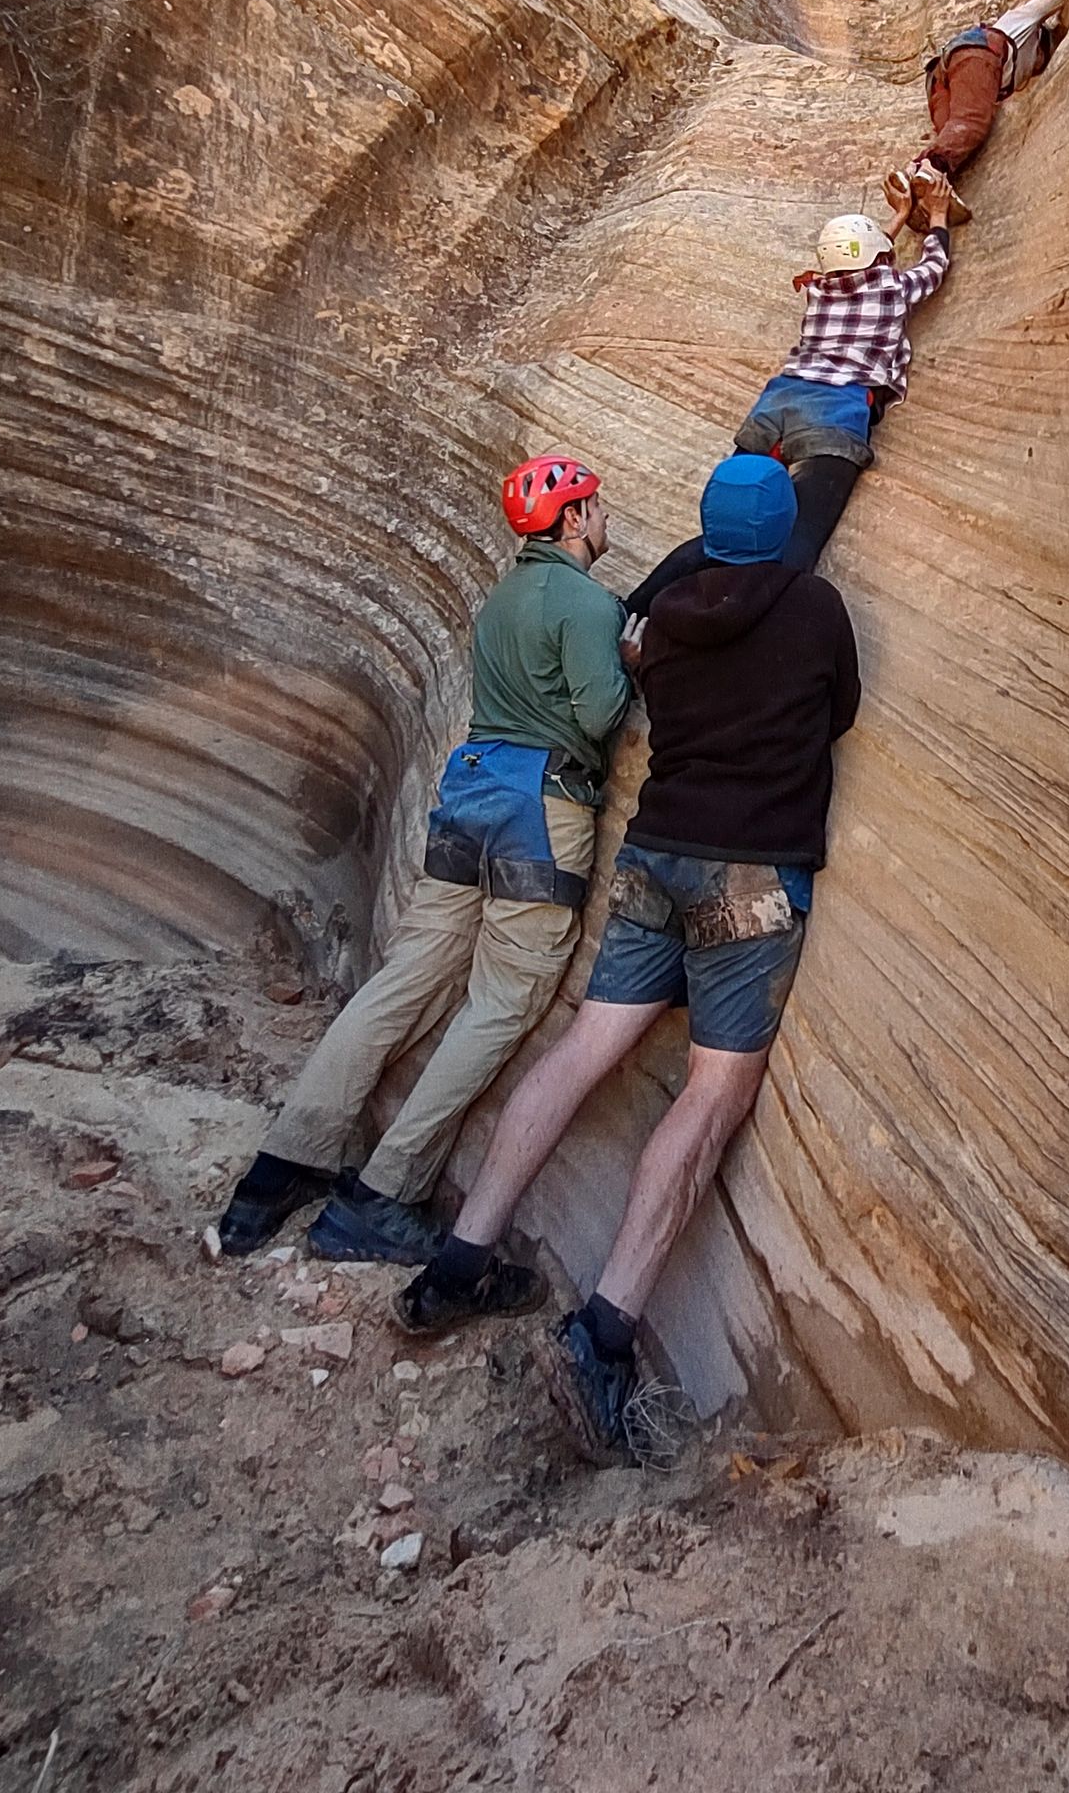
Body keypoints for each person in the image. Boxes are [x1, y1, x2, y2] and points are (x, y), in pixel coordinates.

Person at [389, 452, 861, 1469]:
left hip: (653, 858)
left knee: (588, 1043)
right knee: (713, 1094)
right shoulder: (816, 609)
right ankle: (604, 1333)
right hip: (749, 877)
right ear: (785, 529)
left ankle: (460, 1257)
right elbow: (844, 712)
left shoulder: (660, 626)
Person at [215, 455, 631, 1264]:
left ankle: (282, 1167)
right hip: (540, 808)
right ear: (573, 521)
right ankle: (382, 1194)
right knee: (502, 1000)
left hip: (468, 791)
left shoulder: (500, 602)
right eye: (596, 507)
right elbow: (602, 713)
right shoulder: (585, 602)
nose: (604, 517)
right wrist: (626, 657)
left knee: (407, 976)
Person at [623, 171, 954, 618]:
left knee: (727, 533)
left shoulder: (817, 289)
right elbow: (933, 267)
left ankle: (631, 611)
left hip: (774, 406)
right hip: (833, 414)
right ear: (881, 257)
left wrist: (896, 216)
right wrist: (936, 214)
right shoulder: (893, 288)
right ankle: (753, 635)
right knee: (798, 543)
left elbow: (852, 261)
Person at [885, 0, 1069, 228]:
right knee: (972, 123)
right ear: (1040, 42)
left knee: (952, 133)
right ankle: (932, 169)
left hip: (938, 77)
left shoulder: (1015, 70)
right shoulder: (1018, 24)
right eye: (1043, 55)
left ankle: (913, 175)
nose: (1040, 62)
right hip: (976, 54)